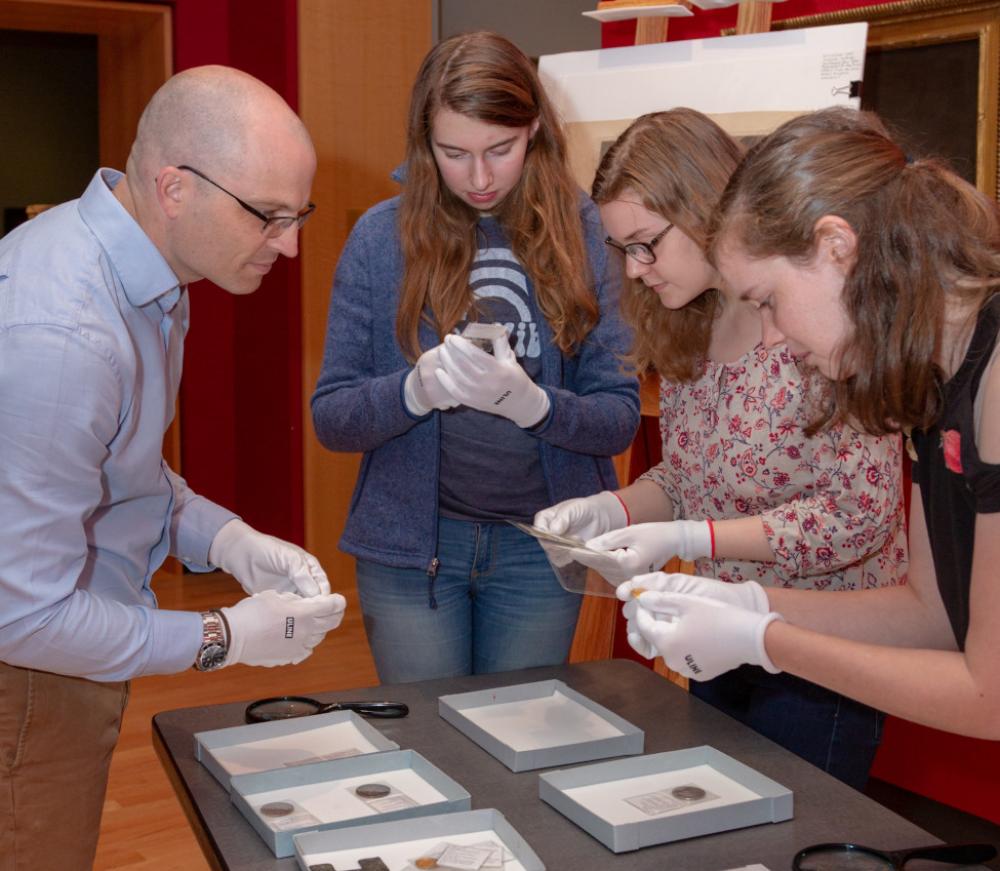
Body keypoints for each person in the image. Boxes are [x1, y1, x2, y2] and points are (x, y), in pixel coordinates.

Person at [0, 66, 347, 870]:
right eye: (268, 216)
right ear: (174, 186)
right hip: (27, 672)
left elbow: (122, 470)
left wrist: (225, 538)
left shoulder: (149, 268)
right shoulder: (65, 333)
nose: (291, 245)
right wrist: (224, 636)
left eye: (300, 215)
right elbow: (21, 614)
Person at [534, 109, 907, 789]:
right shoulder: (690, 329)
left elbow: (858, 516)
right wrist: (613, 510)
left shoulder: (816, 324)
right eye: (625, 251)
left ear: (703, 206)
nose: (638, 269)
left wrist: (689, 536)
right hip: (718, 628)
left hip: (821, 648)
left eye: (648, 243)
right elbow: (689, 473)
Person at [619, 105, 1000, 741]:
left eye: (769, 302)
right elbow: (930, 616)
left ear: (836, 247)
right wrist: (745, 604)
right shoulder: (932, 382)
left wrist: (764, 639)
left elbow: (988, 696)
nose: (772, 338)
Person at [311, 31, 639, 684]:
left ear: (535, 129)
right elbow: (332, 416)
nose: (480, 177)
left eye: (501, 149)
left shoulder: (588, 231)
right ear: (423, 143)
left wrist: (539, 407)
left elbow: (619, 416)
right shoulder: (381, 238)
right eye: (454, 153)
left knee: (516, 748)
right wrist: (412, 392)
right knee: (428, 750)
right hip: (410, 552)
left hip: (540, 552)